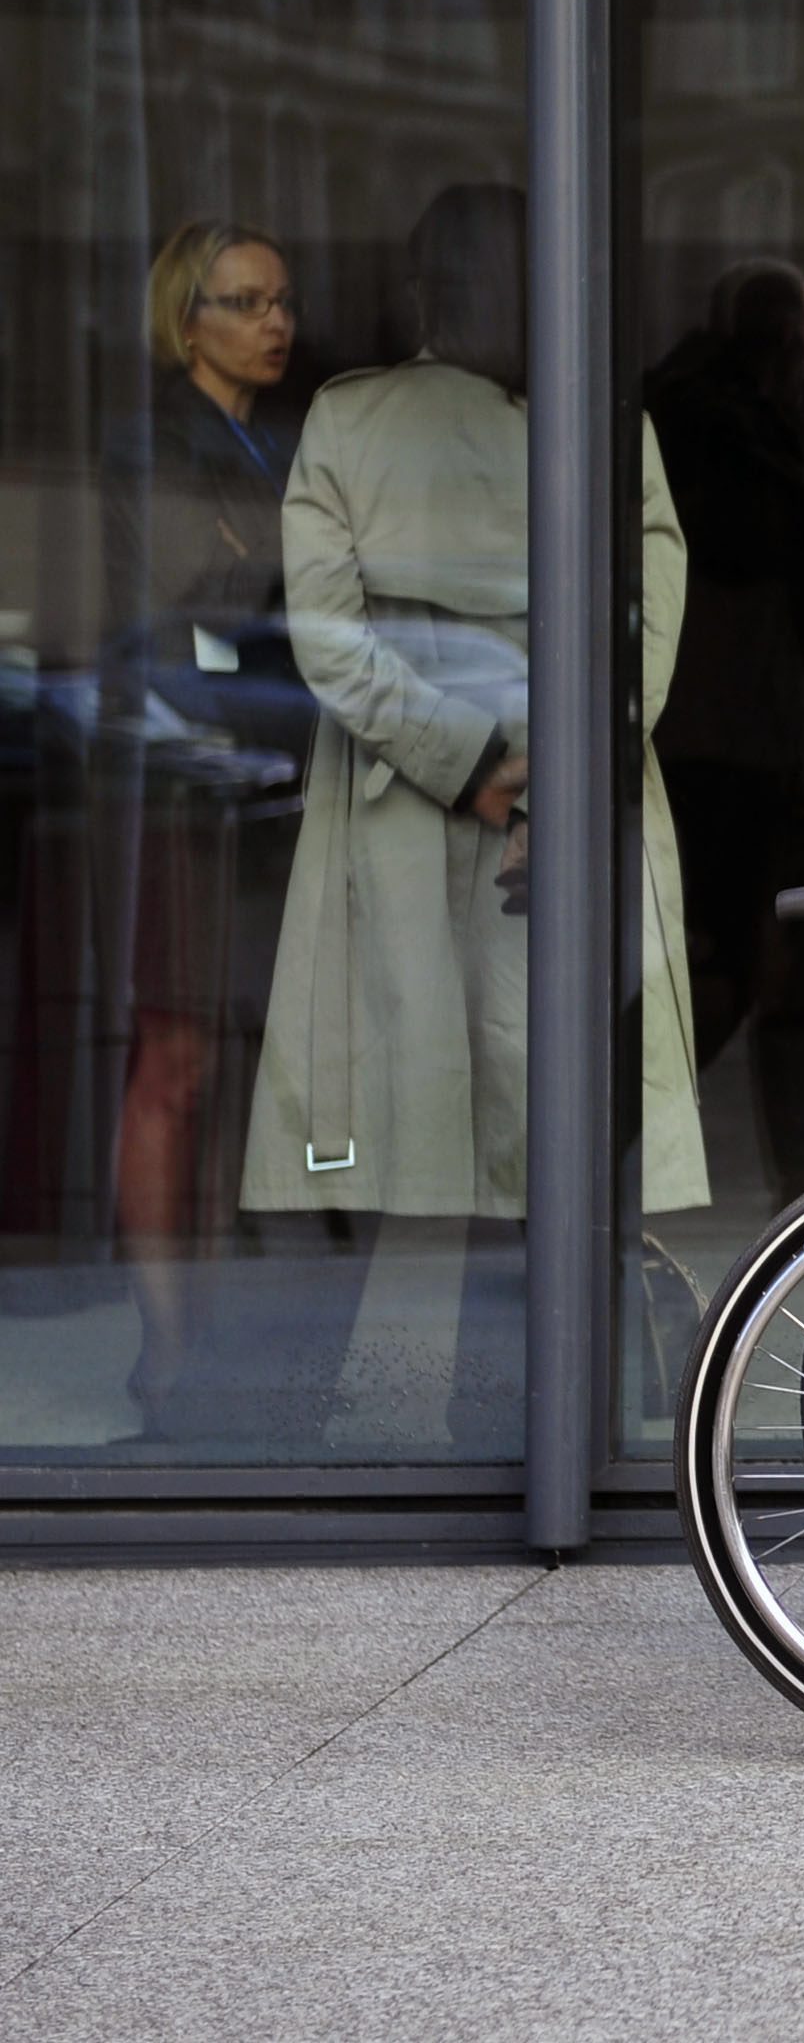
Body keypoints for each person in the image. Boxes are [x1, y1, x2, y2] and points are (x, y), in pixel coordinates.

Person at [239, 185, 713, 1433]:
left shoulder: (350, 419)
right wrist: (559, 767)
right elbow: (644, 628)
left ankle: (399, 1415)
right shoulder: (607, 421)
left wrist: (473, 759)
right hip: (570, 804)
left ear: (419, 297)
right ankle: (564, 1408)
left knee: (419, 1122)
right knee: (555, 1107)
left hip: (408, 802)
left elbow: (329, 642)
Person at [107, 222, 304, 1422]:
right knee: (175, 1062)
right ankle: (165, 1341)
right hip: (186, 779)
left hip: (263, 776)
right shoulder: (151, 445)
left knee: (234, 1067)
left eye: (283, 301)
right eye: (246, 302)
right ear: (187, 321)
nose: (276, 322)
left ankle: (212, 1325)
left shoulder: (275, 441)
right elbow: (189, 608)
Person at [648, 260, 804, 1200]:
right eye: (801, 345)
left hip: (727, 732)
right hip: (747, 736)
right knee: (753, 970)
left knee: (739, 966)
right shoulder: (750, 441)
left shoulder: (678, 421)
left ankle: (803, 1181)